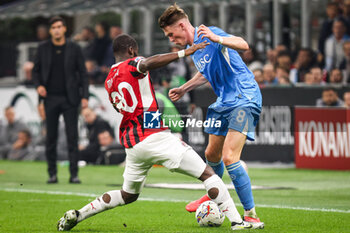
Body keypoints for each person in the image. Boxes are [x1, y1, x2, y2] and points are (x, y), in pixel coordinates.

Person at [57, 34, 255, 231]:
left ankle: (80, 214)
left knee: (128, 194)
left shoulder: (109, 80)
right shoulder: (133, 64)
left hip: (133, 144)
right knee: (207, 174)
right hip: (153, 136)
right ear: (132, 51)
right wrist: (185, 52)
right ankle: (238, 222)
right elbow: (148, 63)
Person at [158, 3, 264, 228]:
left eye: (171, 34)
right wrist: (185, 88)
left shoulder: (209, 33)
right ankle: (213, 192)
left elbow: (243, 44)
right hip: (224, 102)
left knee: (229, 157)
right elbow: (205, 73)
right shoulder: (196, 48)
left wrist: (217, 38)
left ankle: (251, 215)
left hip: (244, 97)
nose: (171, 39)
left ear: (181, 25)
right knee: (211, 154)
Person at [32, 16, 89, 184]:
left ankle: (74, 174)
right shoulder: (43, 48)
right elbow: (36, 71)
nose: (57, 30)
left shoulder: (74, 48)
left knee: (73, 137)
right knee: (51, 138)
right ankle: (52, 174)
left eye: (59, 26)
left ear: (64, 29)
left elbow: (83, 74)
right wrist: (38, 86)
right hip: (50, 98)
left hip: (70, 98)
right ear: (50, 31)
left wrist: (85, 96)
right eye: (54, 27)